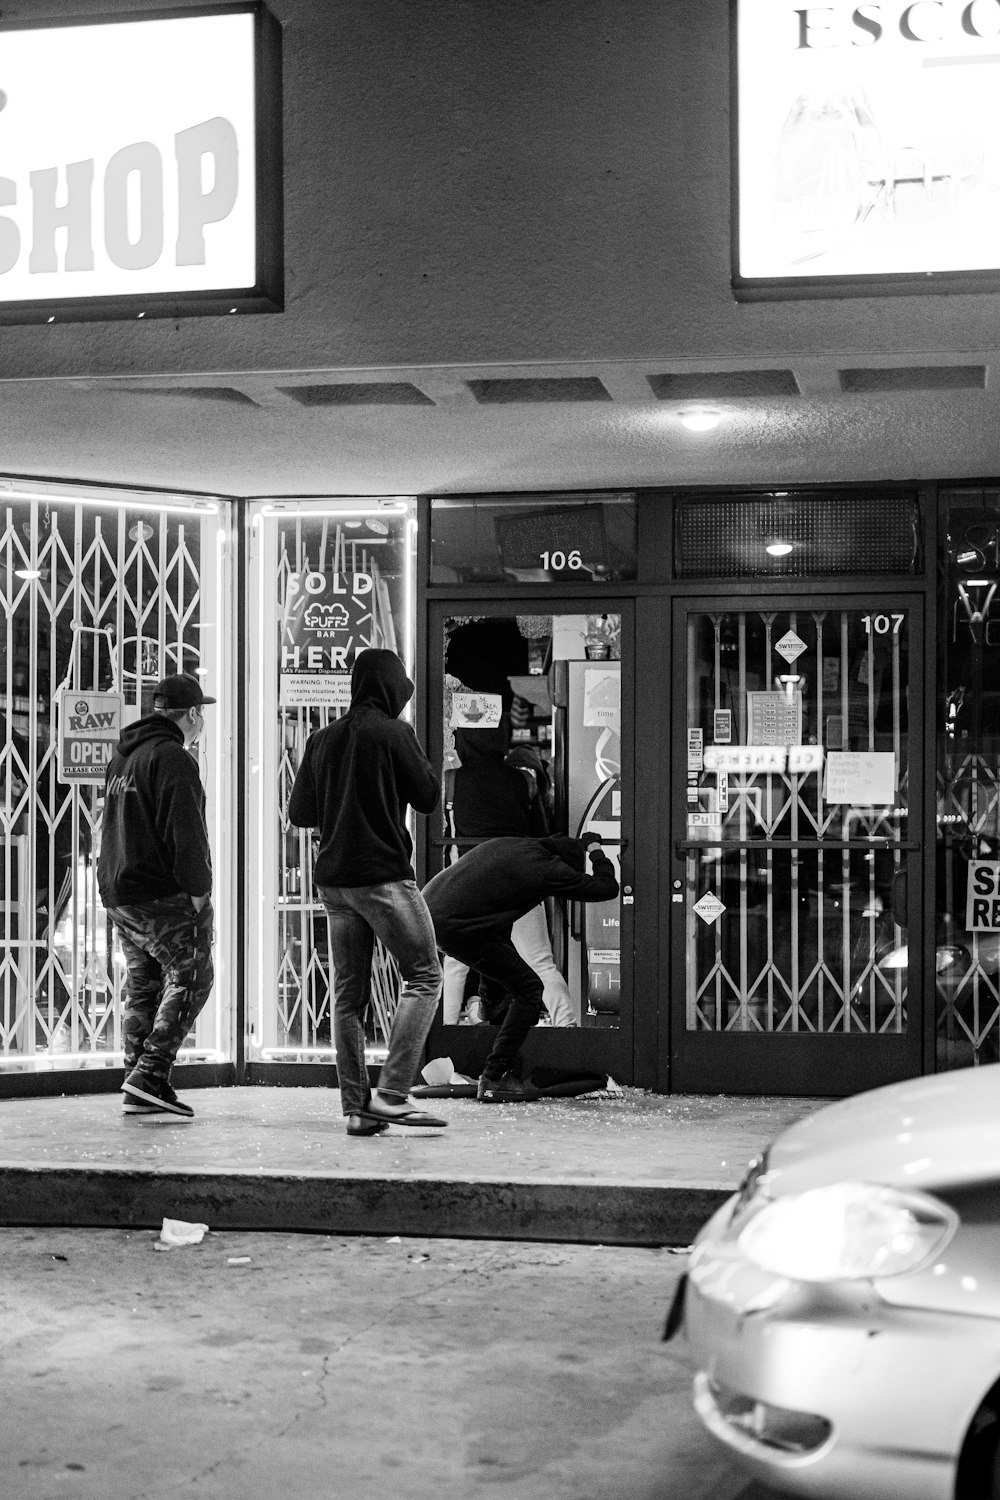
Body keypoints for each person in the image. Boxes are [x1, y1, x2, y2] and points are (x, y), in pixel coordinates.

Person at [288, 648, 447, 1136]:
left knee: (347, 996)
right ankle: (393, 1093)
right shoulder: (395, 733)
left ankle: (357, 1109)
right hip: (381, 875)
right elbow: (427, 798)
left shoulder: (321, 739)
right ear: (391, 687)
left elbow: (300, 813)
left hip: (335, 882)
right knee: (424, 975)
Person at [97, 673, 215, 1119]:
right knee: (194, 972)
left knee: (144, 981)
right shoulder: (173, 759)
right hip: (158, 891)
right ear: (190, 715)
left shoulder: (124, 758)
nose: (202, 721)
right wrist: (200, 894)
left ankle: (139, 1082)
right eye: (200, 713)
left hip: (120, 890)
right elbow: (187, 835)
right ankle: (151, 1073)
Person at [423, 833, 619, 1102]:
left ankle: (489, 1007)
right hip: (453, 926)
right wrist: (596, 849)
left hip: (428, 912)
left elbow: (493, 921)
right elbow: (606, 888)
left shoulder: (516, 846)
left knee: (502, 966)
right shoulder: (548, 869)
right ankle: (494, 1076)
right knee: (529, 991)